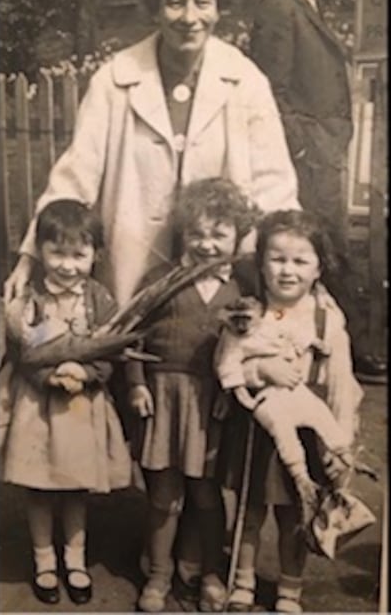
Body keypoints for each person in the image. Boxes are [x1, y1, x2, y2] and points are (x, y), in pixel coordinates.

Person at [4, 0, 299, 310]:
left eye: (202, 2)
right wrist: (30, 258)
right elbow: (75, 176)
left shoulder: (245, 81)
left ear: (218, 8)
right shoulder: (115, 80)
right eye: (175, 2)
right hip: (135, 264)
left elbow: (274, 185)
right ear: (155, 9)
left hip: (218, 275)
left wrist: (289, 264)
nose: (190, 18)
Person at [219, 210, 363, 613]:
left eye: (300, 261)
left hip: (308, 431)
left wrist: (341, 445)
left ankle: (289, 589)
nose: (287, 270)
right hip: (258, 428)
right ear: (261, 263)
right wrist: (258, 369)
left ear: (319, 268)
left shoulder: (327, 319)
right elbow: (225, 362)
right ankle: (243, 583)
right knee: (250, 510)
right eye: (277, 259)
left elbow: (341, 387)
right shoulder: (248, 312)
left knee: (294, 516)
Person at [249, 0, 386, 381]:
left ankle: (340, 345)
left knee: (327, 244)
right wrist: (305, 150)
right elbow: (272, 92)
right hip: (306, 159)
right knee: (325, 246)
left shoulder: (302, 0)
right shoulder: (280, 6)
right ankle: (354, 350)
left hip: (322, 153)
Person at [125, 178, 258, 613]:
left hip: (210, 403)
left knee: (205, 492)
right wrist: (137, 382)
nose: (206, 244)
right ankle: (159, 575)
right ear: (183, 233)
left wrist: (229, 390)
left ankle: (207, 572)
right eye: (197, 233)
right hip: (164, 396)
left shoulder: (241, 290)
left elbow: (247, 348)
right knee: (164, 494)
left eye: (219, 234)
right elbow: (130, 337)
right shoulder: (161, 279)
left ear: (237, 236)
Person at [0, 200, 132, 606]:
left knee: (74, 488)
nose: (68, 265)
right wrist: (49, 377)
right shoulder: (30, 300)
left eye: (79, 255)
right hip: (38, 409)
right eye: (57, 253)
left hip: (80, 409)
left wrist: (88, 376)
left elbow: (112, 354)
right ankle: (44, 562)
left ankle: (75, 560)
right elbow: (23, 353)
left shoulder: (100, 299)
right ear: (39, 251)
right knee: (39, 488)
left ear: (95, 254)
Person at [214, 294, 353, 524]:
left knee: (320, 414)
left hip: (295, 389)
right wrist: (244, 397)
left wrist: (314, 343)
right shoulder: (232, 338)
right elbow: (227, 367)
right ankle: (301, 476)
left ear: (258, 316)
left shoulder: (270, 324)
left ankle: (344, 453)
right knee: (282, 430)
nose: (241, 325)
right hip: (267, 396)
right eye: (236, 319)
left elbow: (292, 334)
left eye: (246, 319)